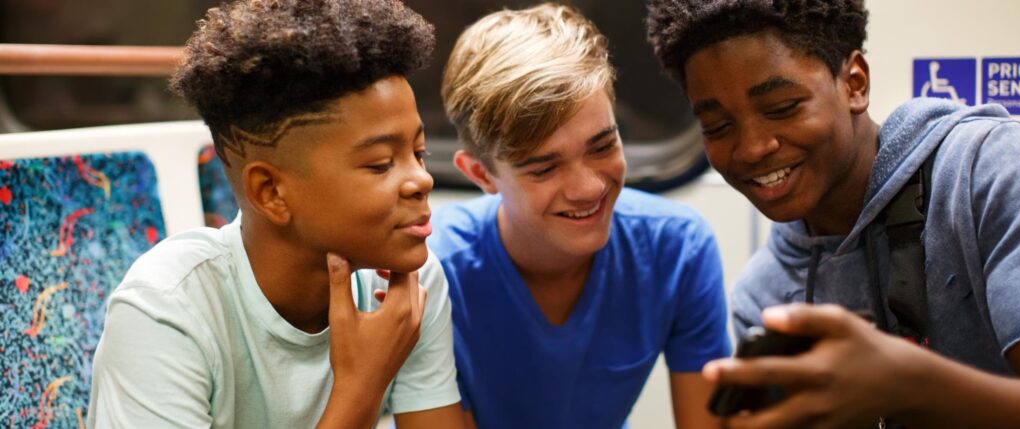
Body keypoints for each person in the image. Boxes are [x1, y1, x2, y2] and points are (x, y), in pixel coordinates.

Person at [645, 0, 1020, 427]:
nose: (752, 148)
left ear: (855, 83)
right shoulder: (763, 295)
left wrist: (909, 385)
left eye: (782, 108)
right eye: (717, 127)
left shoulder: (990, 172)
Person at [87, 1, 465, 427]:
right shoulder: (166, 311)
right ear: (271, 193)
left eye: (418, 153)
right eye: (380, 164)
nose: (422, 180)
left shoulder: (404, 286)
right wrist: (361, 386)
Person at [427, 4, 731, 428]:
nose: (588, 188)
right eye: (544, 168)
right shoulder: (436, 275)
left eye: (603, 146)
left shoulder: (676, 250)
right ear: (481, 174)